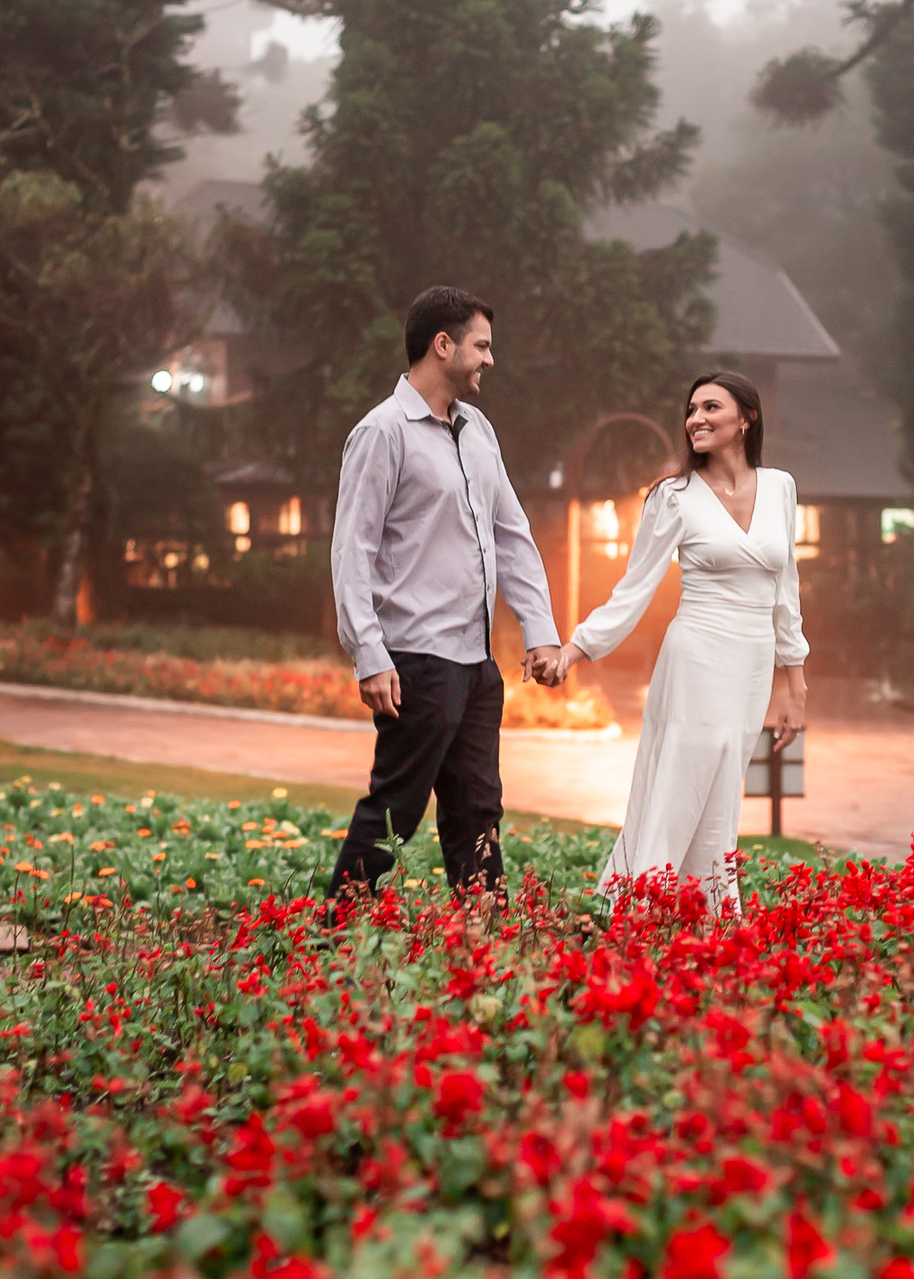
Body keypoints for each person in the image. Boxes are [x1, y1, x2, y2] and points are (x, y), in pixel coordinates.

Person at [327, 286, 561, 904]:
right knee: (395, 811)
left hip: (477, 665)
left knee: (479, 808)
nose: (489, 359)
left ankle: (484, 937)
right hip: (415, 660)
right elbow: (353, 551)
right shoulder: (382, 433)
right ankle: (334, 939)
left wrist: (540, 630)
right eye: (481, 346)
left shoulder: (478, 430)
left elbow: (512, 535)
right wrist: (369, 655)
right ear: (443, 345)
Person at [549, 371, 808, 909]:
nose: (697, 419)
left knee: (720, 795)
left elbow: (786, 591)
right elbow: (634, 588)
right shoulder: (674, 495)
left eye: (711, 407)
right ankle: (641, 910)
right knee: (679, 785)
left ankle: (708, 918)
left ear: (747, 418)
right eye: (691, 410)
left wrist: (795, 686)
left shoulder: (781, 487)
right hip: (696, 656)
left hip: (753, 664)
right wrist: (575, 648)